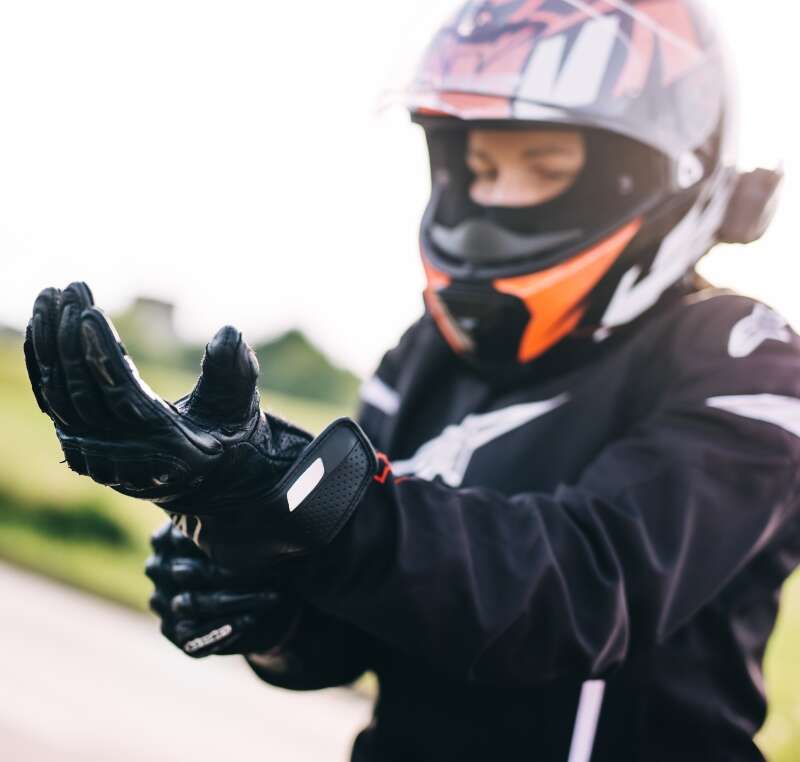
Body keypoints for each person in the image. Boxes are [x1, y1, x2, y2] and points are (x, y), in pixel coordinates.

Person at [24, 1, 798, 760]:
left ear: (663, 171)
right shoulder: (424, 356)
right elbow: (367, 622)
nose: (492, 197)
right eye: (479, 166)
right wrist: (260, 589)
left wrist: (299, 497)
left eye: (546, 165)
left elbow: (583, 594)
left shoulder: (743, 359)